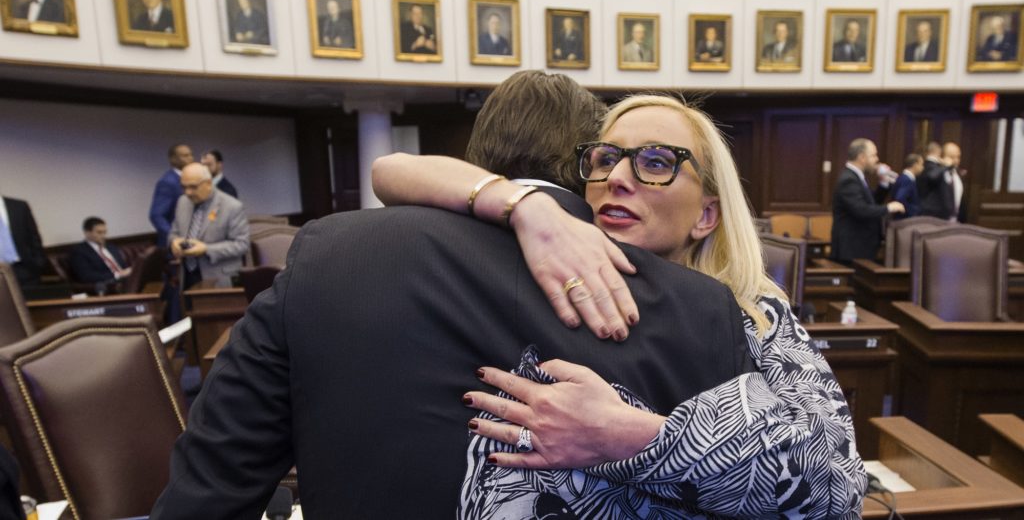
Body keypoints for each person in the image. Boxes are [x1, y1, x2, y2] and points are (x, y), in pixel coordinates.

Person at [150, 71, 755, 519]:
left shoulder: (324, 257)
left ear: (475, 161)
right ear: (587, 170)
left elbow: (209, 493)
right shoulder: (702, 309)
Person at [373, 94, 866, 516]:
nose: (617, 178)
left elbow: (837, 489)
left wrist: (631, 435)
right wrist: (525, 206)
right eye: (606, 159)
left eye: (656, 162)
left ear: (707, 214)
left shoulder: (754, 312)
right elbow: (390, 170)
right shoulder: (555, 272)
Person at [168, 163, 249, 290]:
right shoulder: (182, 202)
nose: (188, 192)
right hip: (187, 275)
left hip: (219, 278)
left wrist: (206, 249)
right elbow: (174, 233)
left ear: (208, 183)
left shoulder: (232, 206)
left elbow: (241, 244)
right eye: (184, 187)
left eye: (193, 187)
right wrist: (174, 242)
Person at [830, 138, 904, 264]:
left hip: (860, 246)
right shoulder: (848, 179)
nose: (877, 159)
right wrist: (888, 208)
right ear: (862, 157)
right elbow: (861, 210)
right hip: (852, 248)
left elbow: (871, 203)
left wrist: (883, 183)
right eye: (873, 155)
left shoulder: (857, 177)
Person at [149, 143, 192, 248]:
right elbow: (156, 215)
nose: (190, 158)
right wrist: (175, 238)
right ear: (173, 159)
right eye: (185, 156)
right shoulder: (168, 182)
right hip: (176, 247)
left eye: (191, 155)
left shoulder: (190, 179)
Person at [68, 217, 131, 286]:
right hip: (108, 285)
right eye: (99, 232)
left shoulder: (111, 247)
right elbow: (87, 276)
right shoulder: (79, 252)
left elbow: (124, 267)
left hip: (127, 280)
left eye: (105, 232)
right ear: (87, 233)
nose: (104, 236)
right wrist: (117, 274)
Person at [0, 194, 46, 288]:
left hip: (25, 268)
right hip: (1, 270)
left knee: (33, 301)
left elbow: (34, 236)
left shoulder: (19, 206)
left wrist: (38, 263)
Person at [892, 153, 924, 219]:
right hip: (904, 220)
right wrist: (914, 211)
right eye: (921, 164)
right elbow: (900, 198)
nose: (923, 167)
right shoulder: (906, 180)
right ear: (915, 165)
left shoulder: (904, 178)